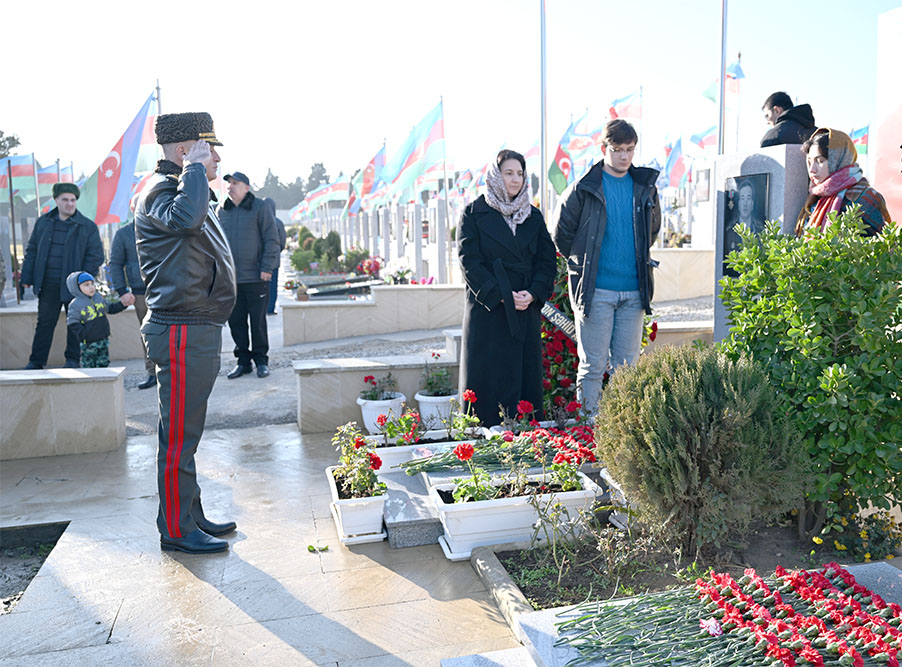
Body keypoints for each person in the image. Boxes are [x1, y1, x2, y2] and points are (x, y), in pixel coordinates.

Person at [135, 112, 237, 555]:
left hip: (194, 327)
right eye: (207, 149)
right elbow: (185, 222)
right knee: (177, 436)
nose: (216, 157)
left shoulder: (182, 190)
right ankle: (175, 528)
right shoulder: (161, 191)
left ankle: (189, 513)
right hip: (179, 330)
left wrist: (194, 175)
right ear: (184, 151)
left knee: (186, 433)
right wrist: (194, 171)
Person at [551, 119, 661, 415]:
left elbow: (652, 230)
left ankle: (620, 431)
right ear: (604, 149)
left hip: (634, 292)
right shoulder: (583, 188)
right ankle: (589, 430)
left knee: (628, 369)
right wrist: (584, 265)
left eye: (630, 149)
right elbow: (562, 235)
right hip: (596, 290)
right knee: (593, 366)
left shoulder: (645, 187)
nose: (624, 156)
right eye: (618, 149)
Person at [458, 149, 556, 427]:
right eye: (508, 173)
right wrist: (501, 296)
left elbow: (547, 261)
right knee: (486, 386)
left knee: (522, 386)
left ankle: (524, 444)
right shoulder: (474, 213)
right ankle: (481, 444)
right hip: (488, 310)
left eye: (520, 173)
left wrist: (534, 293)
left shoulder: (533, 216)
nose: (515, 179)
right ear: (495, 175)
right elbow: (469, 262)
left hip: (524, 308)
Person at [20, 182, 104, 369]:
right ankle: (36, 361)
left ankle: (73, 360)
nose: (69, 204)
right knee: (44, 323)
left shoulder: (87, 226)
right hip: (48, 283)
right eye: (65, 199)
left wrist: (84, 280)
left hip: (75, 286)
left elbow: (96, 255)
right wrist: (26, 277)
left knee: (75, 322)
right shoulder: (43, 223)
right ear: (56, 200)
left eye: (73, 200)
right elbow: (32, 250)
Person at [217, 172, 280, 379]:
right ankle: (243, 362)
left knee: (258, 323)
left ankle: (261, 361)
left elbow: (272, 239)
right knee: (236, 323)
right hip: (232, 280)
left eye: (235, 183)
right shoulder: (222, 210)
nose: (230, 186)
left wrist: (267, 268)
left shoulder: (260, 208)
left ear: (246, 187)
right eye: (229, 183)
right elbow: (215, 244)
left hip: (256, 277)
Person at [795, 128, 891, 237]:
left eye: (820, 161)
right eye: (809, 162)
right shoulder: (814, 197)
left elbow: (884, 246)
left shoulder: (866, 197)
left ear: (839, 159)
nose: (812, 169)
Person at [109, 219, 155, 388]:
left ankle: (171, 372)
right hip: (140, 293)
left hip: (165, 289)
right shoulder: (123, 234)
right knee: (148, 333)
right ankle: (152, 373)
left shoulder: (161, 226)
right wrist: (122, 291)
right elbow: (115, 263)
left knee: (170, 331)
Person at [65, 271, 130, 368]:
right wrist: (84, 335)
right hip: (89, 343)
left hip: (103, 339)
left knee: (103, 363)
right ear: (77, 288)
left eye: (92, 284)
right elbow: (73, 322)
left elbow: (109, 308)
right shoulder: (75, 305)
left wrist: (123, 304)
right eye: (86, 285)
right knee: (90, 366)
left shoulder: (98, 298)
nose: (91, 287)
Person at [263, 197, 287, 315]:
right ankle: (270, 308)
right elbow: (282, 242)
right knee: (273, 285)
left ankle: (262, 309)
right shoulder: (278, 222)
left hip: (261, 260)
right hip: (274, 260)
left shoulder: (259, 221)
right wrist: (276, 251)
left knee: (262, 286)